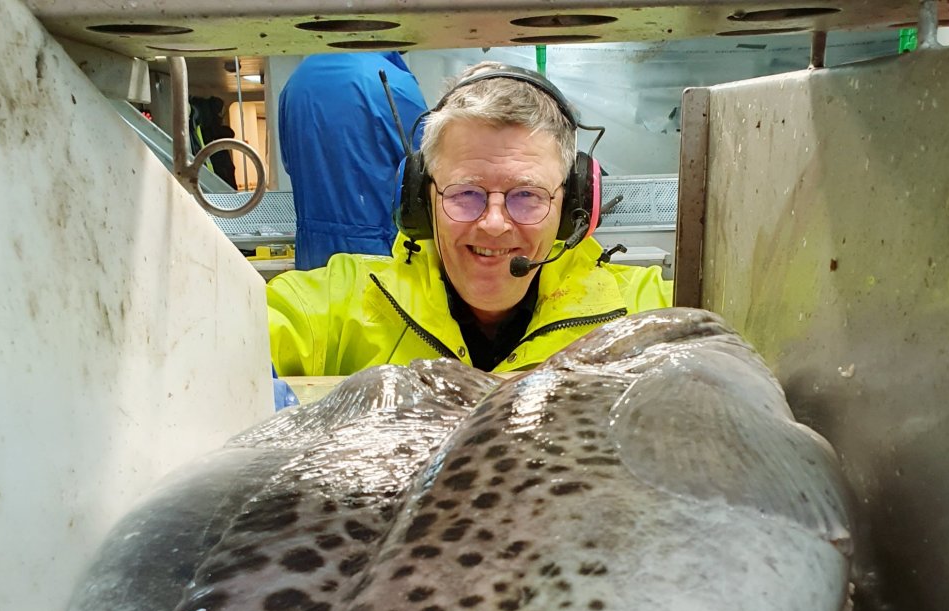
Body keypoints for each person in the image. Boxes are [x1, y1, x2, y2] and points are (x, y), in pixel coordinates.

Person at [268, 61, 673, 377]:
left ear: (572, 207)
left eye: (527, 195)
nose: (494, 224)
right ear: (421, 201)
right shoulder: (337, 308)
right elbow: (227, 334)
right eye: (465, 193)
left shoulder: (647, 314)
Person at [278, 52, 428, 270]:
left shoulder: (296, 82)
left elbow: (289, 163)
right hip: (379, 256)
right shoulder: (394, 83)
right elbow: (426, 174)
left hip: (312, 255)